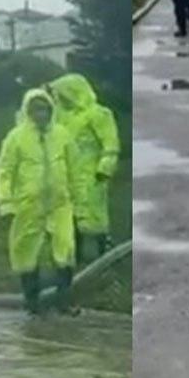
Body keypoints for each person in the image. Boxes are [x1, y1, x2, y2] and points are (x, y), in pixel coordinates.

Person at [0, 89, 81, 315]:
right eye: (36, 110)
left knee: (66, 249)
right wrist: (6, 203)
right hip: (28, 204)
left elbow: (76, 168)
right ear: (28, 111)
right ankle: (32, 301)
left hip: (60, 203)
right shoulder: (16, 138)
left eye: (44, 109)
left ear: (51, 109)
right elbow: (5, 171)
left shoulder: (62, 135)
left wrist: (78, 199)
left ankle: (64, 300)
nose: (41, 114)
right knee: (25, 251)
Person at [48, 73, 119, 265]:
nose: (60, 99)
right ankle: (77, 255)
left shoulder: (98, 114)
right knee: (70, 214)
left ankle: (104, 248)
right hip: (68, 174)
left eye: (63, 94)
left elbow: (110, 143)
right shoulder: (61, 118)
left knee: (95, 211)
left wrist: (105, 168)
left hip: (92, 173)